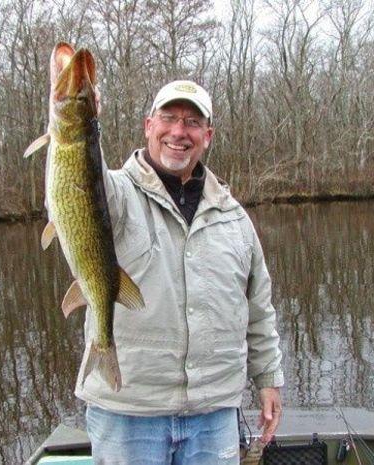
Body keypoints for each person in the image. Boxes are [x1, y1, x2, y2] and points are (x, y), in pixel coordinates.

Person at [74, 80, 284, 464]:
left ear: (207, 135)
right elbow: (80, 181)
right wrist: (85, 122)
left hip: (214, 411)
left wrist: (268, 379)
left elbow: (258, 309)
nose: (178, 131)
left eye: (191, 121)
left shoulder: (234, 217)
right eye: (168, 118)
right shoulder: (117, 194)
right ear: (148, 125)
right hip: (129, 411)